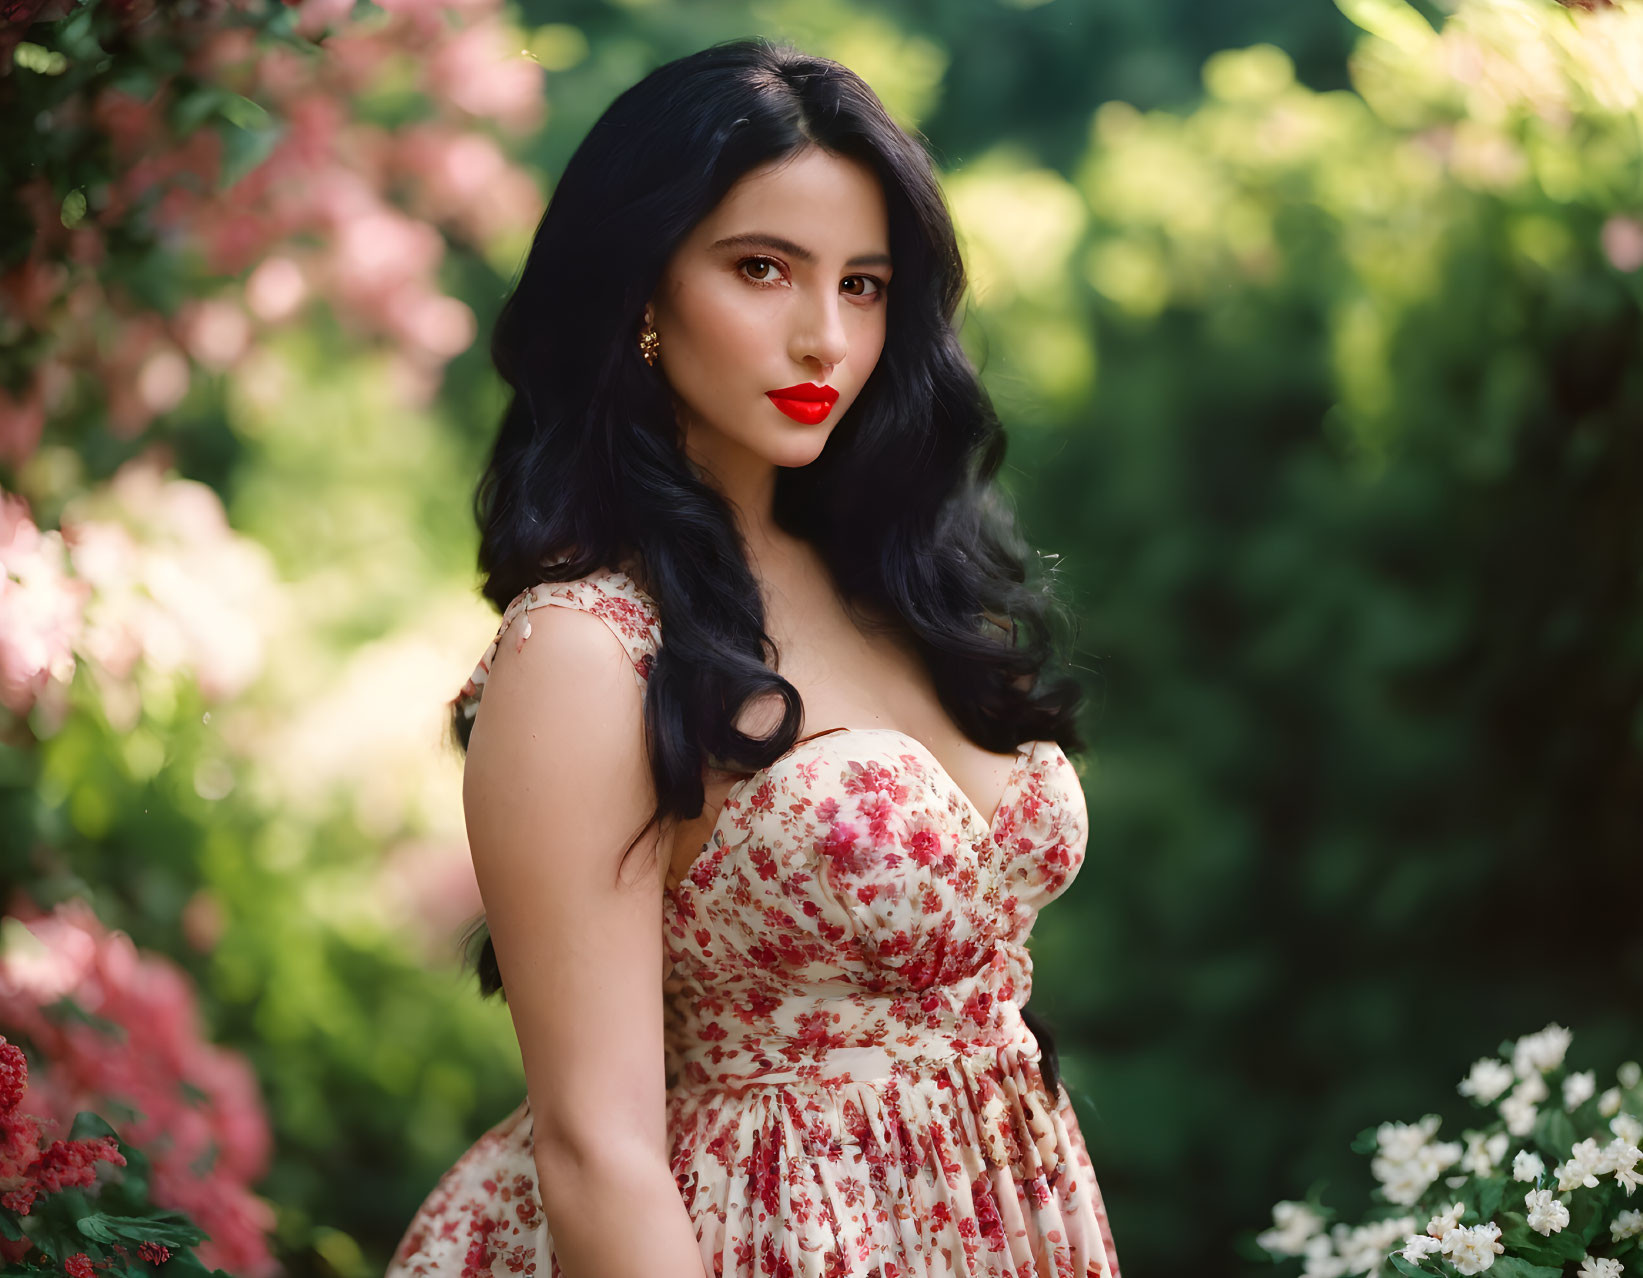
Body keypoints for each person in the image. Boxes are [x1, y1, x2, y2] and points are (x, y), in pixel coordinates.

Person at [384, 36, 1121, 1278]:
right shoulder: (587, 651)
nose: (823, 338)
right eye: (761, 269)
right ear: (640, 295)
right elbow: (593, 1148)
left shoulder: (905, 585)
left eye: (864, 285)